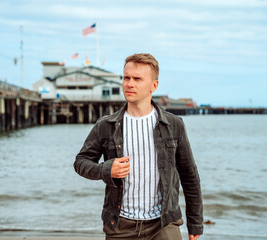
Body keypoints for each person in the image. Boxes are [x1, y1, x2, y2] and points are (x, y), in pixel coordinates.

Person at [74, 53, 203, 240]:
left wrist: (195, 222)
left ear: (154, 86)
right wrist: (106, 170)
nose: (129, 83)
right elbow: (81, 162)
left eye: (137, 79)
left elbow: (189, 176)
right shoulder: (106, 125)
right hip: (120, 225)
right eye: (126, 78)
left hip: (164, 223)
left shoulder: (174, 125)